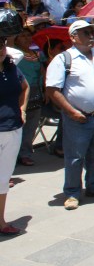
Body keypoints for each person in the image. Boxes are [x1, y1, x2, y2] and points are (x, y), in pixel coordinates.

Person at [45, 20, 94, 211]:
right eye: (85, 33)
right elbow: (52, 89)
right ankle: (72, 192)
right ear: (73, 37)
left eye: (92, 32)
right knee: (74, 156)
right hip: (77, 117)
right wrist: (71, 111)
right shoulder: (64, 59)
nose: (91, 36)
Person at [0, 9, 28, 234]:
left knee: (2, 179)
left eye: (1, 46)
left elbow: (25, 87)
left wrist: (22, 109)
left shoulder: (12, 68)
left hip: (12, 128)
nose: (0, 50)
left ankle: (1, 221)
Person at [12, 24, 43, 166]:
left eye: (28, 35)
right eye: (23, 35)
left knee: (31, 125)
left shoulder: (36, 54)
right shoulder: (14, 55)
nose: (26, 38)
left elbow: (41, 73)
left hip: (36, 93)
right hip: (19, 93)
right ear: (16, 39)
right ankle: (13, 154)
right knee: (17, 126)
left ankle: (25, 153)